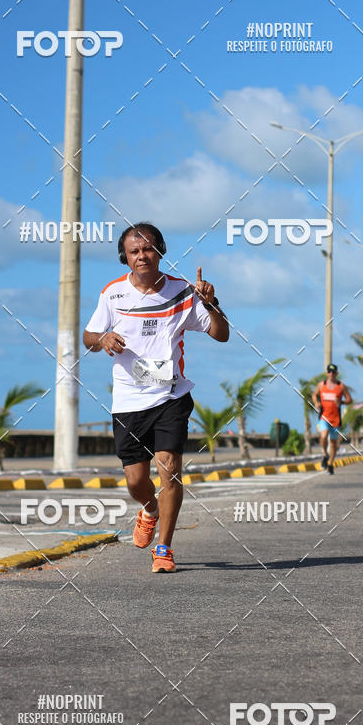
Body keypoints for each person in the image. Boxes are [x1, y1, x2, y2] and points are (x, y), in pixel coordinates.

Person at [83, 223, 229, 573]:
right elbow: (88, 335)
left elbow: (221, 334)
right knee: (136, 481)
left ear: (160, 251)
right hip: (129, 400)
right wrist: (102, 340)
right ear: (125, 258)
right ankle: (149, 507)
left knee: (171, 470)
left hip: (171, 394)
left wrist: (212, 304)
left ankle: (164, 548)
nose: (142, 256)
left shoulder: (182, 292)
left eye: (148, 249)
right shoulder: (112, 294)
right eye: (134, 251)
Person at [311, 364, 352, 475]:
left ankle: (330, 464)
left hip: (335, 419)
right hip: (324, 417)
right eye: (329, 372)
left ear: (336, 374)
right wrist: (316, 402)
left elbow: (349, 399)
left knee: (333, 444)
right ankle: (325, 454)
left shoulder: (341, 386)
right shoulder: (321, 385)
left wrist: (341, 402)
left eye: (333, 372)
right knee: (323, 435)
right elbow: (314, 395)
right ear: (327, 373)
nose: (331, 374)